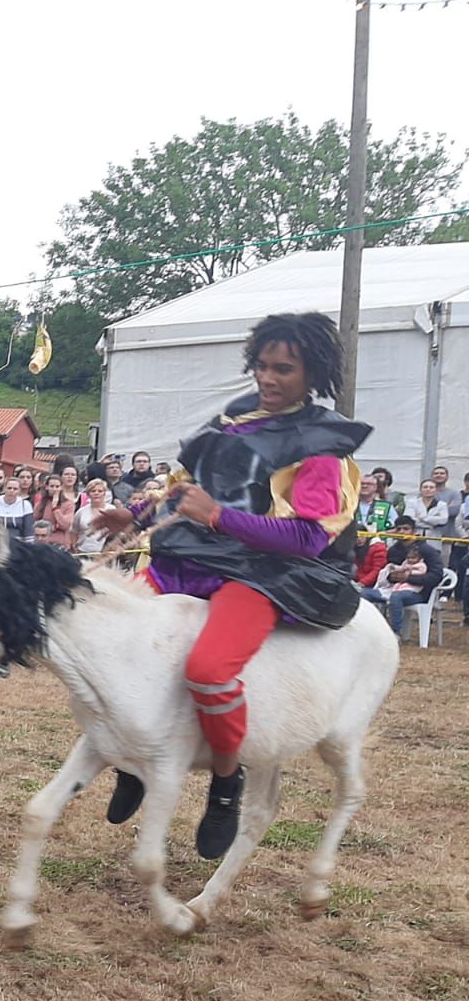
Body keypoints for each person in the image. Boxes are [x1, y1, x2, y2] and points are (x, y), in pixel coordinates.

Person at [96, 312, 369, 860]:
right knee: (118, 646)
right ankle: (134, 761)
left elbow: (309, 538)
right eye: (262, 367)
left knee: (206, 669)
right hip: (202, 555)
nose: (268, 379)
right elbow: (187, 483)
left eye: (284, 370)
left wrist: (219, 517)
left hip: (276, 572)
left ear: (311, 372)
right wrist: (135, 512)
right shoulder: (234, 418)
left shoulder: (322, 447)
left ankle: (226, 781)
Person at [358, 516, 442, 637]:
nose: (402, 532)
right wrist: (392, 577)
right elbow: (386, 573)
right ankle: (367, 631)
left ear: (414, 531)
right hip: (391, 588)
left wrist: (409, 579)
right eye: (399, 529)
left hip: (419, 592)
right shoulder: (393, 550)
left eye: (406, 529)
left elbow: (436, 576)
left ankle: (395, 633)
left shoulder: (428, 551)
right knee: (362, 593)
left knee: (396, 597)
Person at [0, 475, 37, 545]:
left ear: (19, 490)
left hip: (18, 545)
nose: (12, 491)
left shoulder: (25, 505)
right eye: (9, 488)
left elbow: (29, 531)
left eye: (15, 489)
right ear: (4, 488)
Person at [34, 472, 76, 549]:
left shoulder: (69, 504)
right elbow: (35, 520)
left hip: (60, 543)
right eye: (52, 486)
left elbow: (65, 525)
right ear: (47, 487)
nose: (54, 489)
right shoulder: (41, 503)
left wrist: (55, 508)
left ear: (61, 487)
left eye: (57, 486)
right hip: (44, 543)